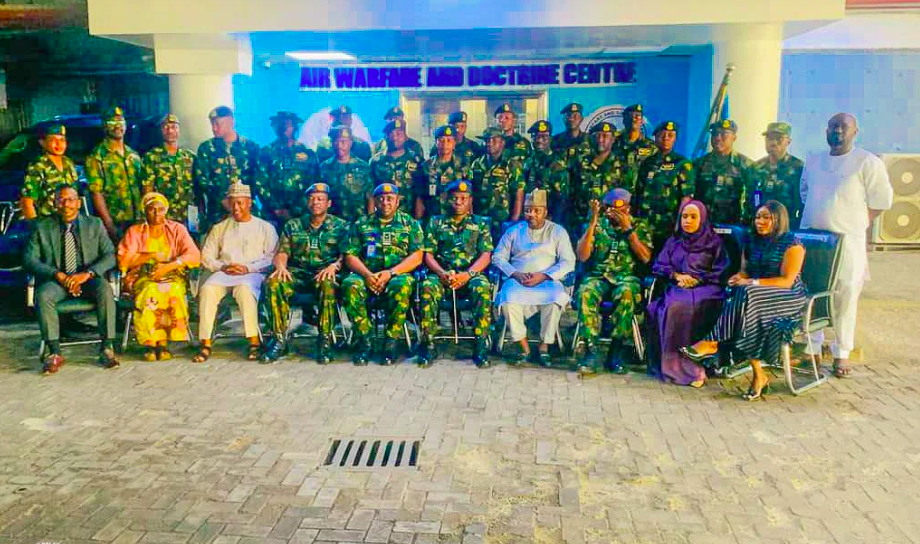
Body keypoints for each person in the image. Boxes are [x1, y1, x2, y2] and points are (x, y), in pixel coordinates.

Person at [681, 201, 807, 401]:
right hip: (754, 296)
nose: (760, 221)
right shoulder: (751, 240)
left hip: (787, 296)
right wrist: (738, 277)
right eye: (757, 217)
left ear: (779, 219)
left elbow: (786, 281)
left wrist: (750, 282)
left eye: (766, 217)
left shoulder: (793, 243)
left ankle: (712, 341)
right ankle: (758, 374)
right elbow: (744, 271)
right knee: (740, 297)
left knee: (747, 294)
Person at [800, 113, 893, 378]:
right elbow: (804, 192)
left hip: (848, 242)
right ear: (826, 130)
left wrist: (857, 222)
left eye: (844, 127)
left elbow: (881, 201)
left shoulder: (867, 162)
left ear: (855, 132)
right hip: (814, 240)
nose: (838, 131)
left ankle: (841, 352)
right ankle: (812, 348)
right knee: (812, 291)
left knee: (846, 295)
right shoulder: (814, 160)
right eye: (833, 126)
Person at [24, 185, 120, 374]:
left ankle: (107, 347)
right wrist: (56, 274)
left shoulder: (94, 224)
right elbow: (29, 259)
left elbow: (110, 255)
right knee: (43, 295)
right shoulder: (42, 226)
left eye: (70, 200)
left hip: (88, 279)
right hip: (57, 281)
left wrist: (88, 274)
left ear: (78, 203)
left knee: (104, 289)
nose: (66, 204)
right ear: (55, 203)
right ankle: (54, 351)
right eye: (61, 200)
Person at [260, 182, 348, 365]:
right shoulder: (293, 225)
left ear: (329, 203)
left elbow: (347, 254)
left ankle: (324, 340)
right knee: (274, 282)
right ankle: (279, 340)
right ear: (307, 202)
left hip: (325, 273)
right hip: (298, 273)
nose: (316, 202)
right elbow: (282, 252)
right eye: (312, 199)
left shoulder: (341, 226)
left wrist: (335, 266)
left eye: (320, 199)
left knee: (328, 284)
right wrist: (281, 267)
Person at [647, 200, 728, 387]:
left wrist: (698, 279)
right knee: (671, 305)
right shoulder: (674, 241)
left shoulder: (714, 243)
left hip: (708, 289)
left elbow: (721, 272)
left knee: (687, 305)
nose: (688, 221)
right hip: (678, 286)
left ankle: (696, 364)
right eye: (684, 216)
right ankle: (680, 368)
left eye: (693, 217)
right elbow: (659, 265)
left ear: (702, 219)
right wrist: (676, 276)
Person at [342, 183, 424, 366]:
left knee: (402, 286)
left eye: (390, 199)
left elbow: (417, 256)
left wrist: (391, 273)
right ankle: (364, 341)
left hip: (398, 274)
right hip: (367, 274)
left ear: (397, 202)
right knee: (350, 284)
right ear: (375, 201)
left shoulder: (410, 223)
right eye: (381, 199)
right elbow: (350, 255)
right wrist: (367, 275)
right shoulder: (362, 224)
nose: (385, 202)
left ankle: (391, 342)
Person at [195, 183, 278, 363]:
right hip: (225, 272)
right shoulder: (220, 227)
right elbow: (206, 256)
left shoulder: (265, 228)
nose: (236, 207)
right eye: (232, 203)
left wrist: (248, 268)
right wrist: (222, 267)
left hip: (252, 273)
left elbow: (272, 257)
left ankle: (254, 341)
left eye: (240, 203)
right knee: (207, 289)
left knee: (244, 290)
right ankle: (205, 343)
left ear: (249, 203)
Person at [574, 188, 653, 375]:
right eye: (608, 208)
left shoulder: (639, 226)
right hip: (599, 276)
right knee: (586, 292)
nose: (613, 212)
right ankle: (591, 350)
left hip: (626, 277)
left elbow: (645, 257)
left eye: (619, 207)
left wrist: (628, 230)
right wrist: (593, 222)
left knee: (627, 295)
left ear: (628, 208)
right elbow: (582, 256)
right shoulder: (598, 225)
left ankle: (615, 351)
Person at [493, 189, 575, 366]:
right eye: (528, 210)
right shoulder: (514, 231)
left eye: (536, 211)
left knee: (555, 299)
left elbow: (569, 262)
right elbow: (498, 257)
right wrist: (516, 274)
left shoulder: (558, 231)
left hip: (547, 280)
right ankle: (524, 349)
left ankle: (544, 347)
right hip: (518, 280)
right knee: (507, 298)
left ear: (545, 212)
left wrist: (544, 275)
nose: (531, 214)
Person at [418, 180, 494, 368]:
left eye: (463, 198)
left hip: (470, 275)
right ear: (447, 200)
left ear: (470, 200)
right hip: (442, 274)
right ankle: (429, 344)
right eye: (454, 198)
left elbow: (486, 255)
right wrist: (441, 273)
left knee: (483, 287)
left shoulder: (481, 223)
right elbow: (428, 255)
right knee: (427, 286)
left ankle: (480, 344)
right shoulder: (435, 222)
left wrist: (467, 275)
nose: (458, 202)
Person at [117, 192, 201, 361]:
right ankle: (150, 343)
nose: (156, 213)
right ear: (145, 211)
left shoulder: (177, 229)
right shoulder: (135, 231)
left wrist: (171, 265)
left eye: (160, 209)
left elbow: (194, 255)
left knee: (173, 290)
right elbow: (124, 259)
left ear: (166, 210)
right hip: (142, 277)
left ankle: (162, 343)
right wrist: (149, 256)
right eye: (151, 209)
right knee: (150, 290)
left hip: (172, 276)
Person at [193, 106, 262, 233]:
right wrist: (223, 200)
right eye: (212, 124)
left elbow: (258, 179)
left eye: (218, 124)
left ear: (231, 122)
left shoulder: (250, 147)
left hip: (247, 211)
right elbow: (202, 181)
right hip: (218, 212)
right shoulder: (206, 148)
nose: (214, 128)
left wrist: (243, 201)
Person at [86, 106, 144, 242]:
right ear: (105, 126)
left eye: (121, 122)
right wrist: (108, 224)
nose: (117, 126)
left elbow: (143, 187)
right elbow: (96, 193)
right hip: (115, 221)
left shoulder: (133, 155)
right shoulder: (97, 156)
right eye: (112, 122)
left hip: (137, 220)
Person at [635, 120, 695, 249]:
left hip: (668, 226)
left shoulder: (682, 164)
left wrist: (680, 225)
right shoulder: (647, 162)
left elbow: (686, 199)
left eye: (670, 135)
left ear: (675, 139)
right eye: (662, 134)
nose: (665, 138)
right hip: (643, 225)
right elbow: (638, 194)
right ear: (655, 137)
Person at [255, 111, 321, 228]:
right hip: (271, 215)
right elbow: (260, 183)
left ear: (295, 127)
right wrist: (276, 209)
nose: (285, 128)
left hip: (301, 215)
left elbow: (314, 184)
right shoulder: (266, 152)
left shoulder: (307, 153)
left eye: (289, 124)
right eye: (281, 124)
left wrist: (296, 210)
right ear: (275, 127)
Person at [693, 119, 756, 226]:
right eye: (715, 134)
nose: (718, 138)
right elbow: (690, 195)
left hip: (733, 225)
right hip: (703, 225)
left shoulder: (746, 165)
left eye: (724, 134)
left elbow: (756, 194)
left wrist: (748, 220)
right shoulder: (699, 164)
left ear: (734, 138)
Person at [469, 127, 525, 243]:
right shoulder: (476, 164)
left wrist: (513, 222)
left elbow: (519, 195)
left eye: (494, 140)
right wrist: (471, 217)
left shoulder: (511, 165)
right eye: (487, 140)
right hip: (480, 219)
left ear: (502, 143)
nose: (490, 143)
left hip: (503, 220)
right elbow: (469, 193)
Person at [141, 114, 196, 227]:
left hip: (188, 215)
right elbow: (148, 190)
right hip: (164, 215)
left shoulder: (190, 157)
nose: (170, 131)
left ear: (179, 130)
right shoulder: (151, 157)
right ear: (160, 131)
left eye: (174, 127)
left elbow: (197, 188)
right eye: (165, 127)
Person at [571, 122, 624, 236]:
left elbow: (627, 196)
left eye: (605, 136)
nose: (600, 140)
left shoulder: (623, 164)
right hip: (582, 223)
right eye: (597, 136)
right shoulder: (579, 162)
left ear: (613, 139)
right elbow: (571, 192)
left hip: (611, 225)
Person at [21, 123, 79, 220]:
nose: (59, 144)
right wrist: (36, 226)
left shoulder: (68, 163)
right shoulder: (37, 166)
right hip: (48, 222)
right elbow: (27, 202)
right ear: (42, 143)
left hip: (70, 220)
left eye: (62, 140)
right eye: (53, 140)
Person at [753, 122, 804, 228]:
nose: (773, 142)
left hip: (786, 227)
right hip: (760, 226)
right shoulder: (756, 167)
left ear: (788, 141)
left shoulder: (798, 168)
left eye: (779, 138)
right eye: (770, 138)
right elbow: (751, 199)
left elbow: (803, 202)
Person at [320, 125, 374, 223]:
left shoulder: (363, 167)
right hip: (332, 222)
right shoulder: (325, 167)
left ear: (350, 143)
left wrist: (370, 221)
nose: (339, 145)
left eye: (343, 141)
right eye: (336, 141)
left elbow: (370, 197)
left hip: (359, 221)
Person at [413, 124, 467, 222]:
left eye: (449, 140)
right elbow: (419, 196)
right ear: (436, 143)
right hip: (431, 219)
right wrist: (418, 220)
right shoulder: (425, 166)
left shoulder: (463, 166)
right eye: (441, 140)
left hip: (455, 219)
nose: (445, 144)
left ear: (454, 143)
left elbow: (468, 196)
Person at [522, 120, 570, 227]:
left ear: (550, 139)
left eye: (544, 137)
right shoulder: (528, 161)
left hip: (550, 217)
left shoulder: (558, 164)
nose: (539, 140)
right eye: (535, 136)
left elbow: (561, 199)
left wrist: (553, 223)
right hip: (530, 216)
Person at [370, 119, 420, 214]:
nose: (395, 138)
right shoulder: (376, 161)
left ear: (405, 136)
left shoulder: (416, 160)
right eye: (391, 134)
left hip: (409, 215)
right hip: (383, 213)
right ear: (386, 137)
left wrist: (418, 218)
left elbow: (420, 193)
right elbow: (370, 192)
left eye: (399, 134)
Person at [613, 104, 657, 193]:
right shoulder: (612, 143)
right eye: (630, 116)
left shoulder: (652, 147)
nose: (634, 119)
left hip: (641, 194)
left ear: (642, 121)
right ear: (624, 120)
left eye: (637, 116)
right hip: (616, 194)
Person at [551, 102, 592, 169]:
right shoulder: (555, 140)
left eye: (575, 116)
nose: (571, 119)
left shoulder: (590, 139)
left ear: (581, 119)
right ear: (564, 119)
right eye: (568, 115)